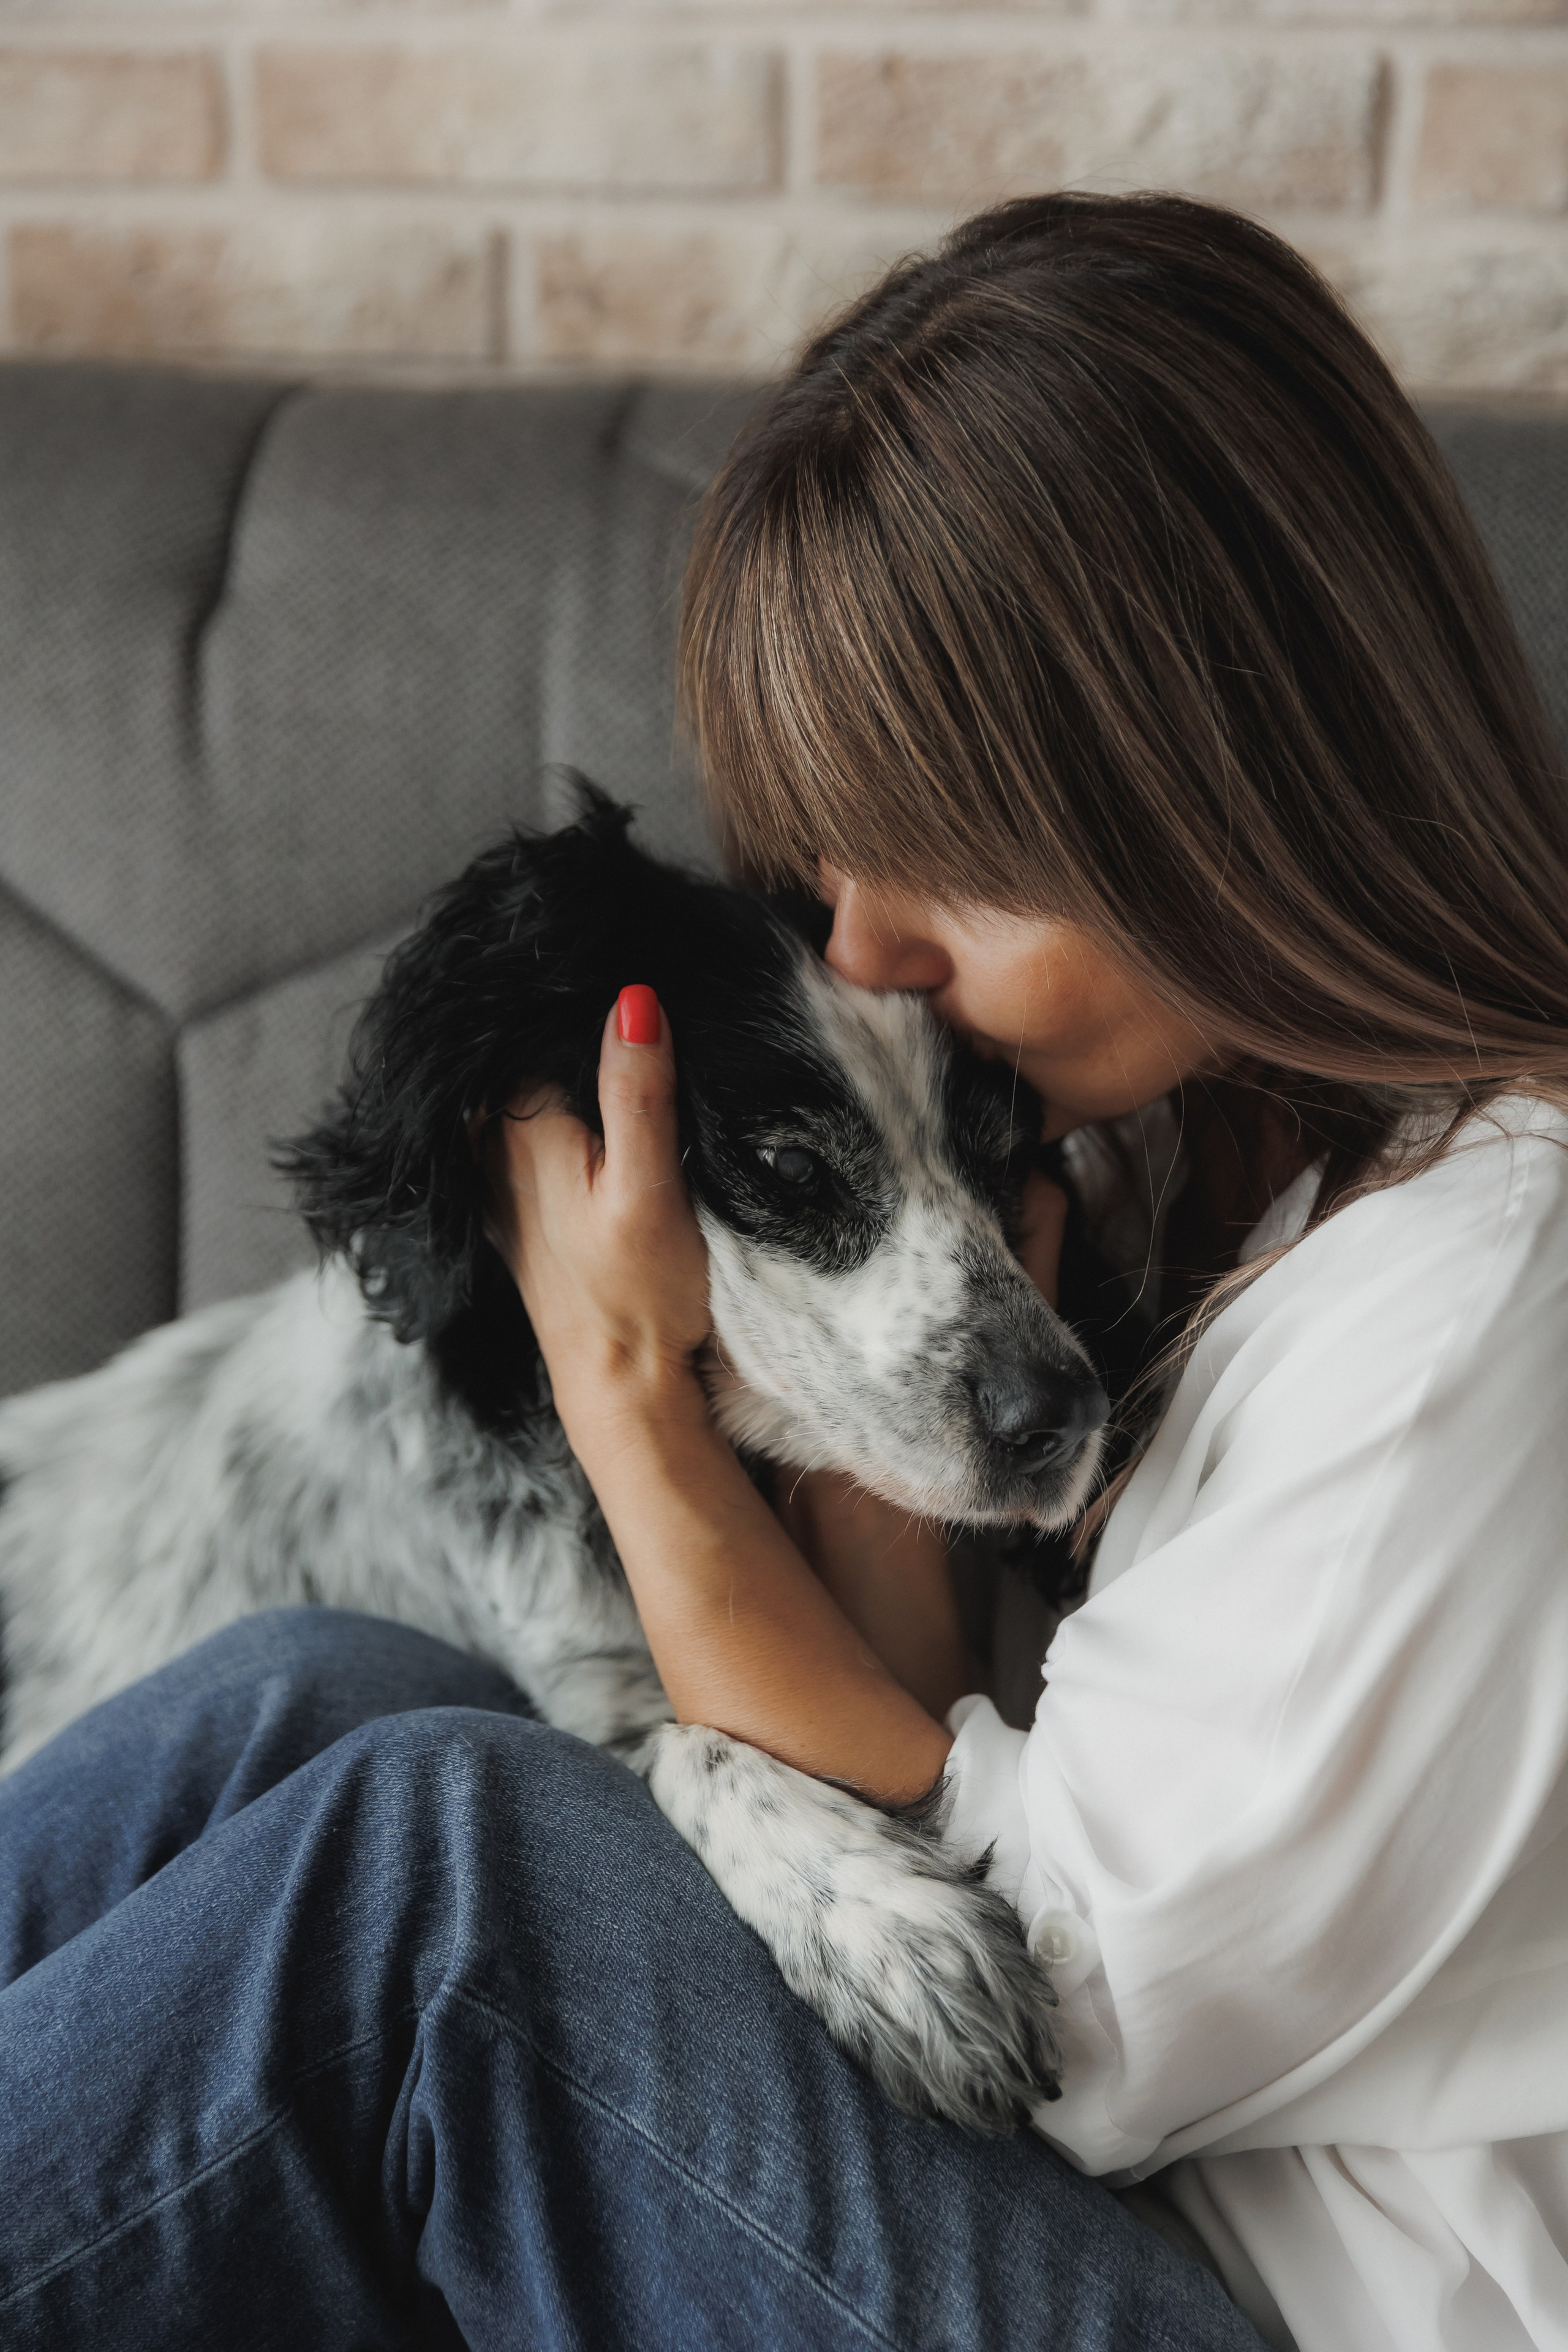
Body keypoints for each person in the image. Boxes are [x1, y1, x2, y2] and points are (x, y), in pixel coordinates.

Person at [4, 190, 1567, 2352]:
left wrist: (629, 1391)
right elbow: (944, 1722)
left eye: (945, 846)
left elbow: (1062, 2010)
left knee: (441, 1875)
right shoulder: (1213, 1159)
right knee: (329, 1700)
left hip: (1258, 2311)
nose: (864, 951)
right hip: (1104, 2225)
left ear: (1218, 767)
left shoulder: (1496, 1283)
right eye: (834, 855)